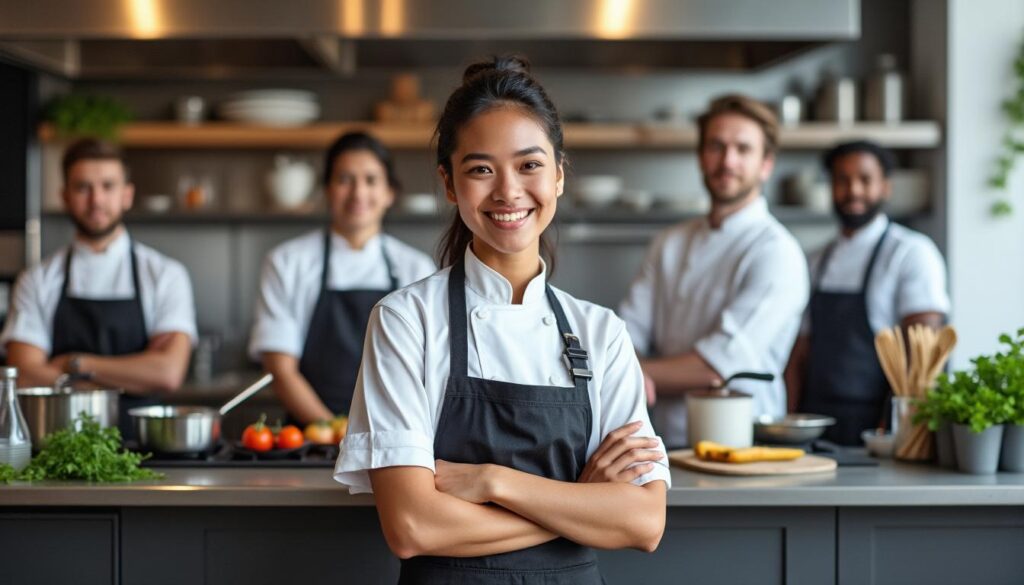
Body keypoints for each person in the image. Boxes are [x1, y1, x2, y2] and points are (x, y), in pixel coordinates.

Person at [334, 56, 669, 584]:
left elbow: (645, 521)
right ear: (449, 183)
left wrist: (493, 482)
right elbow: (412, 526)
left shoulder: (601, 333)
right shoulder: (405, 321)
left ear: (559, 176)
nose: (508, 191)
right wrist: (581, 503)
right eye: (481, 169)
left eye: (530, 165)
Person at [618, 94, 809, 448]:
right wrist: (622, 360)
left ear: (766, 164)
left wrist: (628, 372)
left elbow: (716, 367)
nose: (727, 160)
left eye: (743, 149)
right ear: (701, 156)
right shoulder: (669, 242)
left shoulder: (777, 252)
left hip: (745, 445)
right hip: (662, 445)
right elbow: (626, 334)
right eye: (716, 146)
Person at [0, 138, 197, 438]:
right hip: (60, 447)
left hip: (143, 449)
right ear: (64, 196)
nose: (96, 200)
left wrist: (75, 363)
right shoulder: (37, 280)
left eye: (108, 186)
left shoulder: (165, 275)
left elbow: (167, 373)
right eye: (83, 188)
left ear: (127, 195)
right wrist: (130, 375)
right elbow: (25, 375)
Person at [249, 132, 435, 424]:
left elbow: (428, 369)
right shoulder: (286, 262)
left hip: (394, 435)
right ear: (326, 190)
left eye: (371, 180)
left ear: (390, 193)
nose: (358, 193)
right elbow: (280, 369)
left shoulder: (416, 268)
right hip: (312, 436)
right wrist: (335, 432)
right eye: (345, 179)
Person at [784, 140, 949, 445]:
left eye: (865, 179)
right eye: (842, 180)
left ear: (885, 186)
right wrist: (789, 422)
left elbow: (922, 355)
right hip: (815, 425)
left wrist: (895, 427)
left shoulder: (911, 253)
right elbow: (799, 352)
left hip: (878, 426)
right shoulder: (814, 261)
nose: (853, 191)